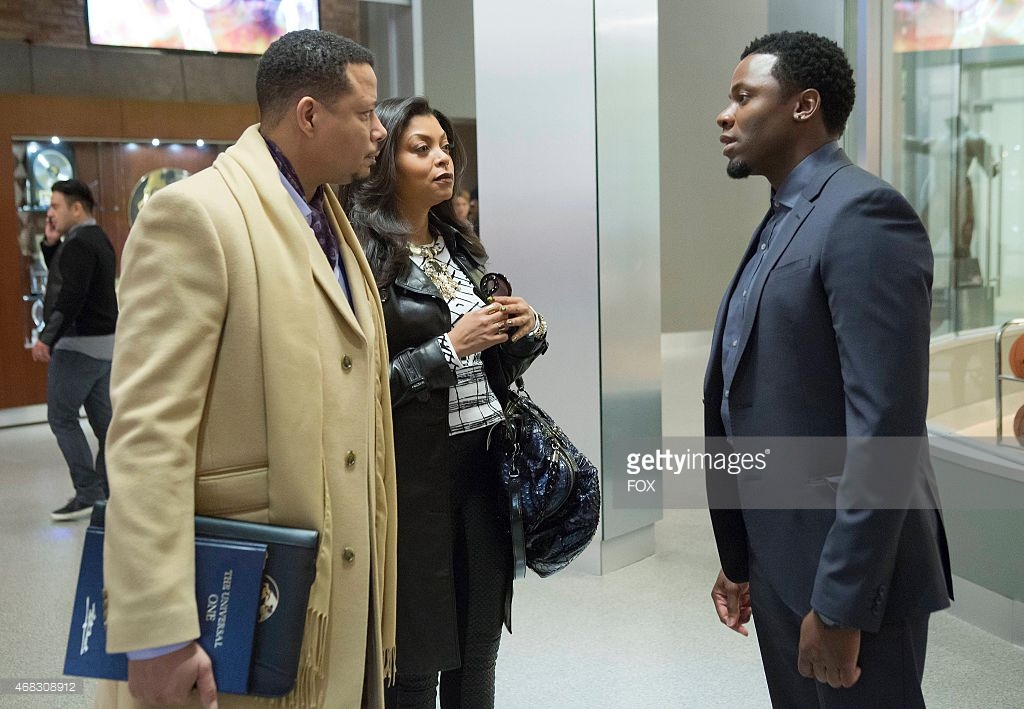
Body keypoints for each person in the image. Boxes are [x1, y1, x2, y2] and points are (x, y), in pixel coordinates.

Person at [97, 29, 398, 708]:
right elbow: (147, 434)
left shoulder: (330, 221)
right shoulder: (194, 216)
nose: (379, 131)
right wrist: (155, 631)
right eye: (364, 114)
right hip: (241, 597)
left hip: (332, 590)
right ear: (309, 115)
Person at [704, 31, 953, 708]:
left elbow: (887, 428)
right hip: (782, 560)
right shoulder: (784, 217)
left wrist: (842, 603)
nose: (725, 115)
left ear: (804, 105)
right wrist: (742, 558)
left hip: (849, 575)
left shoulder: (864, 215)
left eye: (744, 96)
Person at [345, 96, 548, 709]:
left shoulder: (459, 249)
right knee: (412, 664)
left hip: (481, 473)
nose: (444, 160)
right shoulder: (361, 258)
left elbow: (489, 374)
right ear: (386, 161)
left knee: (478, 651)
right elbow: (356, 389)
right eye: (422, 148)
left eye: (446, 147)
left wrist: (524, 332)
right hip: (411, 485)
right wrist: (449, 348)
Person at [30, 180, 117, 522]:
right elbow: (67, 278)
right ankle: (109, 490)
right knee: (106, 426)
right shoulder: (96, 239)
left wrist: (47, 338)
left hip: (77, 348)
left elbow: (70, 297)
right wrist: (52, 246)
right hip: (105, 348)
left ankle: (88, 492)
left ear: (76, 209)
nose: (50, 213)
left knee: (61, 418)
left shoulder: (80, 244)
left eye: (55, 206)